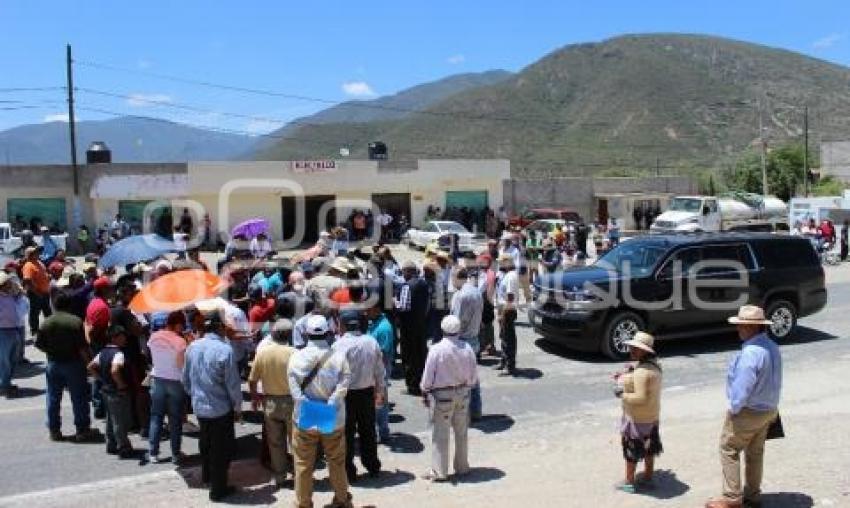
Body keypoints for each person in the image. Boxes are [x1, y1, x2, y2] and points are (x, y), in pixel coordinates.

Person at [705, 306, 782, 508]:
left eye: (740, 325)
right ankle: (753, 496)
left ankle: (732, 498)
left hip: (749, 411)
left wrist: (733, 409)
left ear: (750, 326)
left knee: (728, 448)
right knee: (755, 453)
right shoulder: (772, 347)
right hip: (769, 409)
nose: (738, 328)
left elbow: (742, 387)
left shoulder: (750, 353)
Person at [287, 314, 354, 508]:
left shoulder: (296, 357)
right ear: (328, 333)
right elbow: (344, 383)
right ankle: (342, 500)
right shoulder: (338, 356)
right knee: (336, 461)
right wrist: (331, 403)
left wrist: (308, 404)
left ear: (306, 334)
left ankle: (304, 503)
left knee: (303, 465)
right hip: (332, 417)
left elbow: (295, 391)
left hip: (305, 417)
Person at [182, 306, 243, 502]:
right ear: (219, 328)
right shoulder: (225, 350)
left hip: (200, 406)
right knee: (220, 449)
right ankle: (218, 490)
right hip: (220, 409)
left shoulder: (192, 347)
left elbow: (185, 379)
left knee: (206, 443)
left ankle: (208, 476)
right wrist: (237, 408)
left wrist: (194, 395)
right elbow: (233, 385)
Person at [420, 315, 478, 482]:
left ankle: (440, 471)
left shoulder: (436, 349)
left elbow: (428, 377)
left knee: (440, 434)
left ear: (442, 330)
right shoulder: (467, 348)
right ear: (458, 330)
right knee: (461, 432)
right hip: (463, 394)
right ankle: (462, 467)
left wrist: (424, 390)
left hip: (442, 396)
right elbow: (474, 377)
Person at [35, 290, 96, 441]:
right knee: (79, 397)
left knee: (53, 397)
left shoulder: (46, 322)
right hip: (73, 364)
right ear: (69, 305)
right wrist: (90, 364)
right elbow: (82, 348)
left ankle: (54, 430)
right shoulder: (75, 321)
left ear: (54, 305)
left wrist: (52, 351)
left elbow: (39, 345)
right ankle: (82, 430)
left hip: (54, 364)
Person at [333, 309, 385, 482]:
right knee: (368, 430)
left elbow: (333, 374)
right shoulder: (371, 342)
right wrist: (380, 392)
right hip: (366, 394)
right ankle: (372, 466)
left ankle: (349, 471)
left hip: (345, 396)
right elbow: (380, 372)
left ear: (344, 325)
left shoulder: (338, 345)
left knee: (346, 434)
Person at [613, 332, 663, 493]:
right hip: (652, 416)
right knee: (649, 448)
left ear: (646, 351)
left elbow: (640, 398)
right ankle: (648, 477)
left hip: (637, 419)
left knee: (631, 450)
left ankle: (629, 481)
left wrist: (622, 394)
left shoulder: (642, 372)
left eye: (636, 348)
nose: (632, 350)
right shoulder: (655, 365)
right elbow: (644, 384)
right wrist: (628, 374)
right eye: (632, 347)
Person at [249, 319, 296, 488]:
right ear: (289, 335)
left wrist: (255, 398)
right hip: (291, 402)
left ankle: (280, 476)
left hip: (270, 403)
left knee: (275, 443)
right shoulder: (294, 353)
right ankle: (299, 475)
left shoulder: (263, 353)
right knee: (295, 441)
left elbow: (252, 379)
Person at [146, 311, 189, 464]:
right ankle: (176, 454)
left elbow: (151, 355)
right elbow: (180, 364)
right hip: (175, 381)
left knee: (156, 416)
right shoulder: (180, 341)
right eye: (182, 325)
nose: (183, 328)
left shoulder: (153, 337)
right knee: (175, 419)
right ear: (177, 324)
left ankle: (153, 453)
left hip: (157, 379)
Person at [88, 325, 134, 458]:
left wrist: (101, 380)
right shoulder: (118, 354)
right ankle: (123, 446)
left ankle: (111, 444)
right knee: (120, 420)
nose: (125, 338)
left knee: (110, 418)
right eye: (122, 336)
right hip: (117, 392)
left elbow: (90, 367)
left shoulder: (102, 352)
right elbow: (115, 370)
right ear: (115, 338)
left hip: (106, 390)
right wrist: (121, 385)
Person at [450, 267, 484, 420]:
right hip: (475, 339)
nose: (451, 282)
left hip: (462, 341)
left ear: (458, 277)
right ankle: (475, 410)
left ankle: (462, 414)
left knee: (460, 381)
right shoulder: (476, 292)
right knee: (473, 379)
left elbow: (455, 323)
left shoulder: (460, 295)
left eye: (452, 278)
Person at [395, 260, 430, 395]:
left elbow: (403, 307)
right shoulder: (423, 283)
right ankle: (421, 381)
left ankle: (412, 385)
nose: (403, 274)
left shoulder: (406, 287)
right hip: (420, 325)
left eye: (403, 271)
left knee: (409, 356)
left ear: (408, 271)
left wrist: (394, 302)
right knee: (421, 354)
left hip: (408, 327)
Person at [366, 304, 395, 443]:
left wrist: (377, 376)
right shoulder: (375, 323)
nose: (366, 312)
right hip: (375, 369)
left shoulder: (384, 328)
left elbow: (383, 355)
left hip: (380, 370)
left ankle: (382, 433)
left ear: (377, 309)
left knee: (380, 403)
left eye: (368, 310)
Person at [85, 276, 112, 419]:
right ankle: (100, 406)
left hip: (96, 344)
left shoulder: (94, 302)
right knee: (102, 376)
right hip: (100, 344)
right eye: (110, 288)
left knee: (98, 375)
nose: (112, 290)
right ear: (104, 289)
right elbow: (94, 329)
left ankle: (98, 405)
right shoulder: (101, 306)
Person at [0, 273, 26, 398]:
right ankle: (5, 385)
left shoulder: (11, 295)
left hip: (14, 329)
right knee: (4, 360)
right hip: (2, 332)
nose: (10, 284)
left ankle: (7, 382)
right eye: (7, 283)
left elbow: (20, 291)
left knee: (13, 359)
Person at [495, 254, 519, 375]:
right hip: (504, 309)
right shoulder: (507, 275)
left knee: (508, 338)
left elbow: (510, 296)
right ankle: (504, 361)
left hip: (508, 310)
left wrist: (503, 313)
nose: (499, 264)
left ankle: (510, 366)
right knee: (504, 337)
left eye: (501, 262)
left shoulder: (510, 276)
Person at [22, 246, 52, 335]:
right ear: (30, 255)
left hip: (45, 292)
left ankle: (51, 330)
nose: (38, 253)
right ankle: (34, 332)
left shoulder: (39, 262)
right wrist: (36, 292)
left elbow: (43, 273)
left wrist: (47, 277)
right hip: (36, 293)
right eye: (36, 252)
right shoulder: (28, 265)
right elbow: (27, 280)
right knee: (35, 313)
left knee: (48, 312)